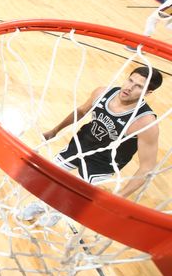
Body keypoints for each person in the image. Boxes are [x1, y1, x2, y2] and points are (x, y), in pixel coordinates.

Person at [22, 67, 162, 225]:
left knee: (77, 192)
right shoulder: (102, 92)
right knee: (52, 176)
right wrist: (55, 130)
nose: (129, 87)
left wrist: (121, 195)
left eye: (139, 86)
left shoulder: (145, 122)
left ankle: (59, 211)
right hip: (82, 143)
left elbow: (147, 167)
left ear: (148, 93)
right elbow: (81, 111)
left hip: (105, 161)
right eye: (130, 80)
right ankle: (40, 205)